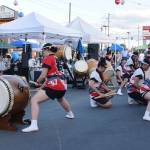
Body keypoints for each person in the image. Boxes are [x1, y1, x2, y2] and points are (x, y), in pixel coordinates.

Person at [22, 43, 74, 133]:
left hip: (54, 86)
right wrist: (41, 87)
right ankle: (70, 113)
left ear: (47, 50)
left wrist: (37, 82)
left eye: (43, 51)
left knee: (34, 100)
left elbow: (43, 75)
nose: (42, 52)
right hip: (62, 85)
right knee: (60, 98)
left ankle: (34, 125)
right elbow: (51, 76)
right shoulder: (57, 58)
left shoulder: (47, 59)